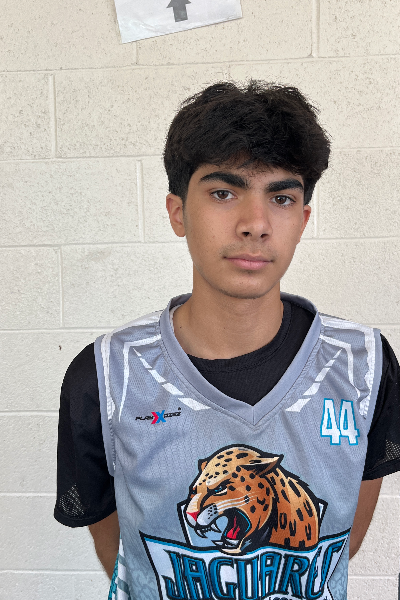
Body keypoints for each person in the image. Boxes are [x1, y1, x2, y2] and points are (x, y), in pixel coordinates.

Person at [55, 80, 400, 600]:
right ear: (177, 211)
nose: (255, 224)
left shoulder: (364, 366)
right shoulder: (105, 375)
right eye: (223, 193)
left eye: (281, 197)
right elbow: (127, 556)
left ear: (303, 219)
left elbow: (339, 544)